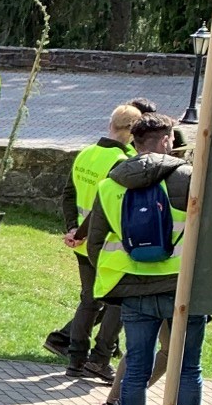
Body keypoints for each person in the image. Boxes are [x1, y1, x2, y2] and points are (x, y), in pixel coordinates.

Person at [86, 111, 212, 405]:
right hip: (182, 290)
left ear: (134, 141)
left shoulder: (110, 184)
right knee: (186, 369)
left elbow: (96, 242)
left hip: (133, 291)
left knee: (135, 367)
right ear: (166, 140)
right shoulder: (187, 179)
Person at [43, 102, 140, 379]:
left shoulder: (85, 153)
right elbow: (103, 206)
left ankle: (75, 360)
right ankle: (100, 359)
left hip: (83, 245)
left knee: (89, 300)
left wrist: (73, 229)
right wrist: (81, 232)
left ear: (111, 124)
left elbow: (68, 194)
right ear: (132, 131)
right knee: (115, 303)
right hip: (110, 245)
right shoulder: (123, 163)